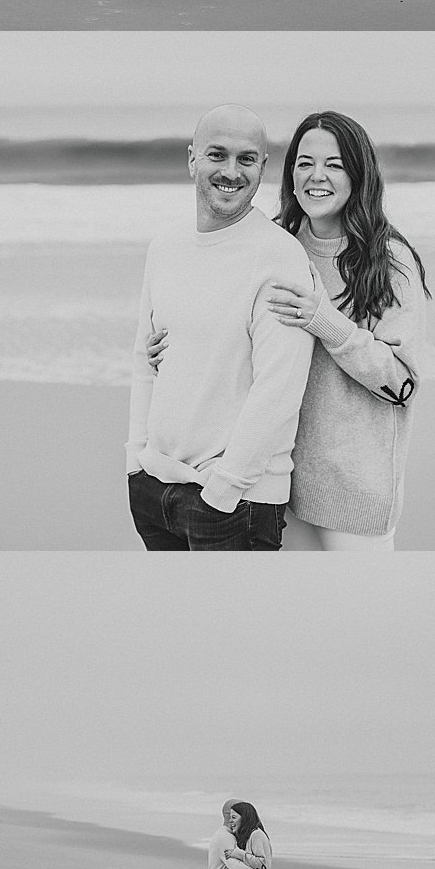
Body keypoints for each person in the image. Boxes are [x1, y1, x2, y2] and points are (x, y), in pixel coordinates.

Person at [149, 111, 430, 550]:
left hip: (353, 497)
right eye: (304, 162)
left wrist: (328, 323)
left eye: (334, 164)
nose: (317, 176)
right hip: (277, 486)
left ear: (360, 174)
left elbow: (402, 383)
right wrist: (175, 347)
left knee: (364, 616)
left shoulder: (388, 261)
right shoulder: (279, 246)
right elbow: (236, 335)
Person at [126, 104, 315, 551]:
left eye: (246, 159)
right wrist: (135, 461)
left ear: (263, 167)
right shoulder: (166, 247)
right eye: (217, 155)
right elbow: (144, 357)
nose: (231, 171)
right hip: (155, 489)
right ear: (192, 159)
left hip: (234, 504)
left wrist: (224, 491)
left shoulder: (279, 256)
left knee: (232, 623)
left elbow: (280, 388)